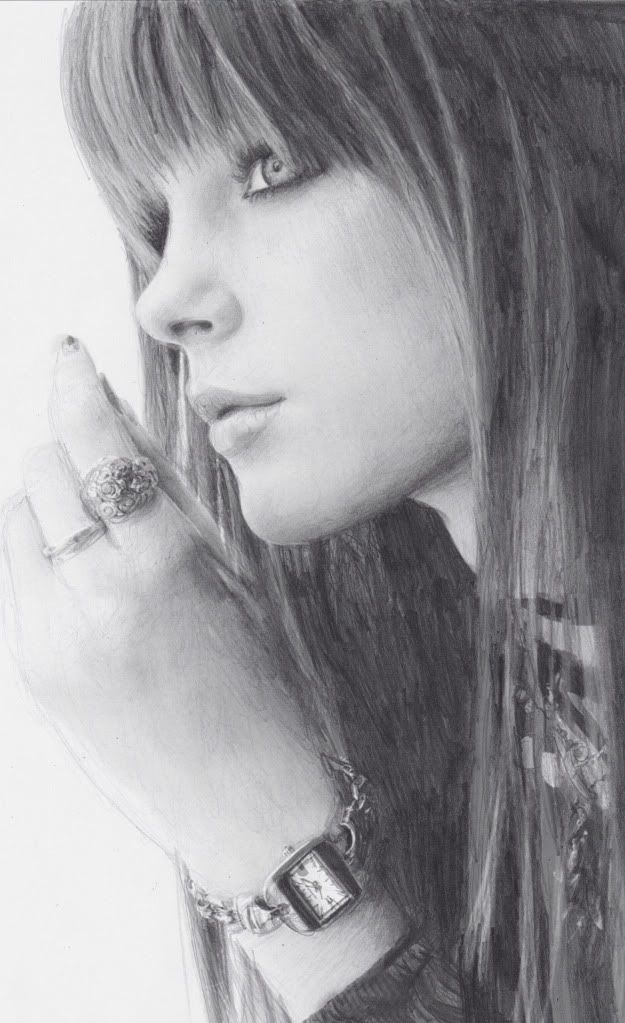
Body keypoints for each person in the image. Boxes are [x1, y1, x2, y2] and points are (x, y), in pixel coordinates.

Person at [3, 1, 625, 1021]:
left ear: (525, 133)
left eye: (273, 164)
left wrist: (264, 838)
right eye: (155, 221)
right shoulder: (508, 717)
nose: (162, 299)